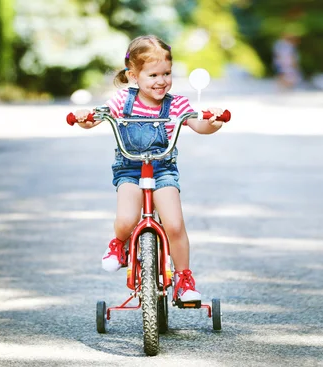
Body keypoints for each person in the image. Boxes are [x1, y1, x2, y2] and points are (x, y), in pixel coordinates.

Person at [72, 35, 225, 302]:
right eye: (153, 74)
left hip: (163, 170)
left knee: (175, 224)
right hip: (130, 169)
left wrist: (213, 120)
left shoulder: (176, 104)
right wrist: (85, 118)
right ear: (134, 75)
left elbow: (199, 126)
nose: (161, 80)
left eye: (167, 73)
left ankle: (183, 279)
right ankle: (118, 245)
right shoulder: (122, 100)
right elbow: (96, 118)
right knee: (125, 219)